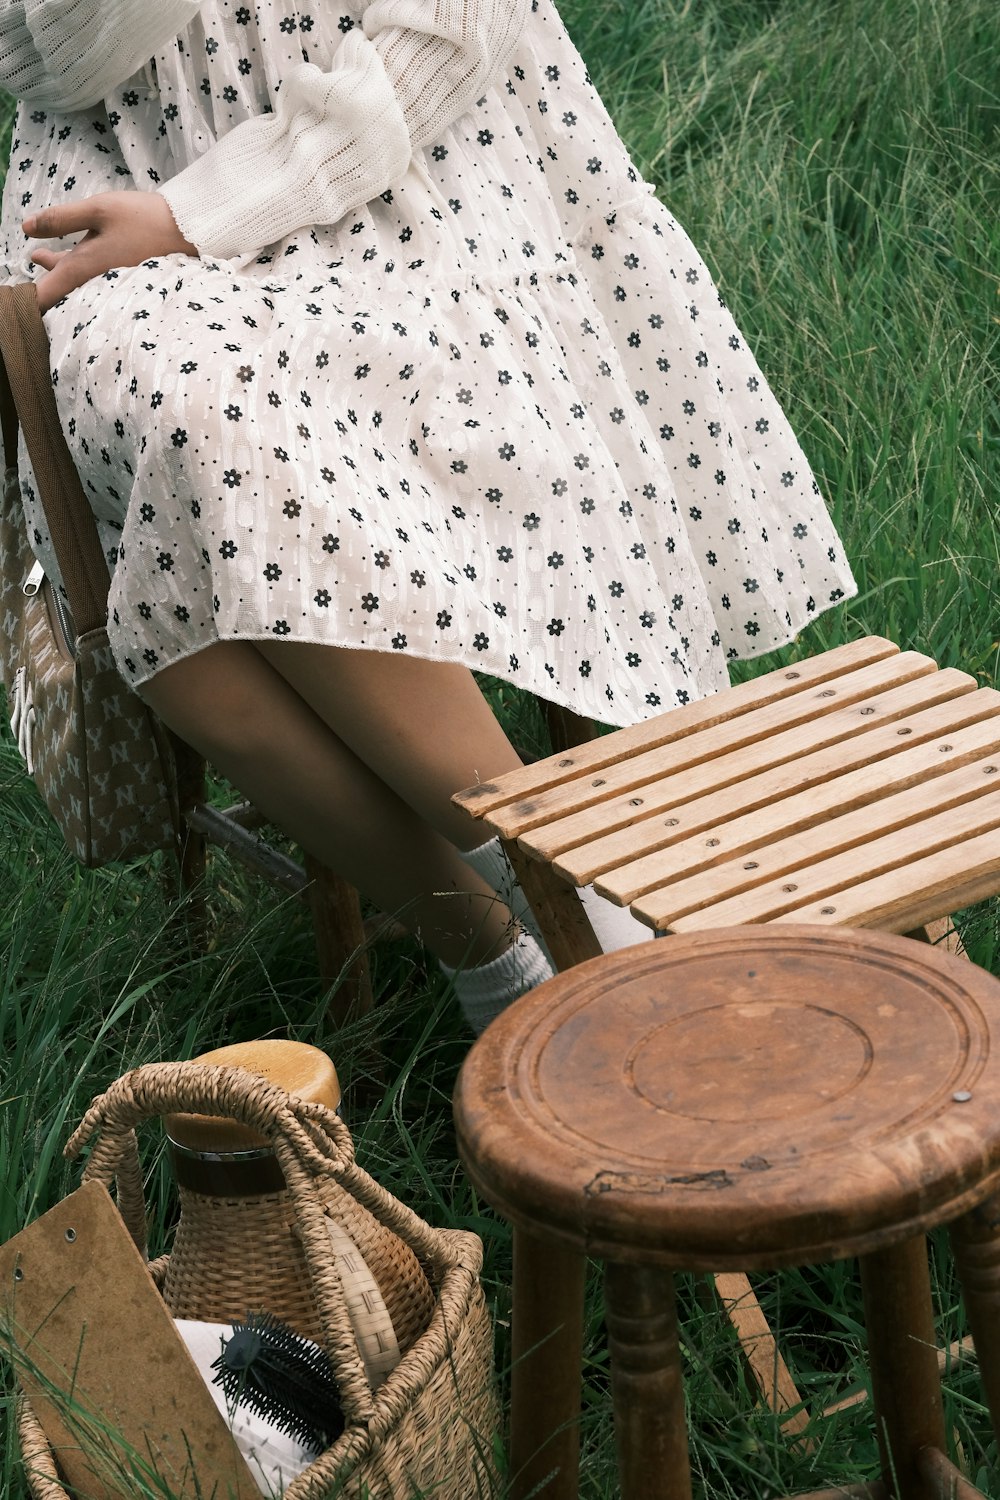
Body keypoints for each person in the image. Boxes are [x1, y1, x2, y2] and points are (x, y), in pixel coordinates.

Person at [0, 0, 855, 1031]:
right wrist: (173, 222)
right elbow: (47, 52)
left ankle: (569, 904)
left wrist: (215, 209)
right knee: (176, 455)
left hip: (405, 182)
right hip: (127, 189)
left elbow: (450, 33)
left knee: (219, 470)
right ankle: (508, 946)